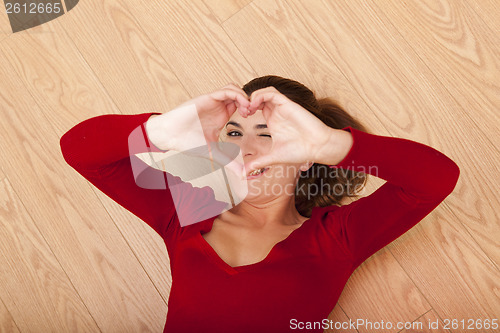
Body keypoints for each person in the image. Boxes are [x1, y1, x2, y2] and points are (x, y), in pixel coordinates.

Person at [60, 75, 460, 333]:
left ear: (305, 156)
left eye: (267, 135)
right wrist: (161, 131)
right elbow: (79, 151)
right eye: (233, 133)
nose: (245, 150)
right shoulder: (185, 212)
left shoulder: (337, 237)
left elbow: (435, 180)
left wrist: (330, 145)